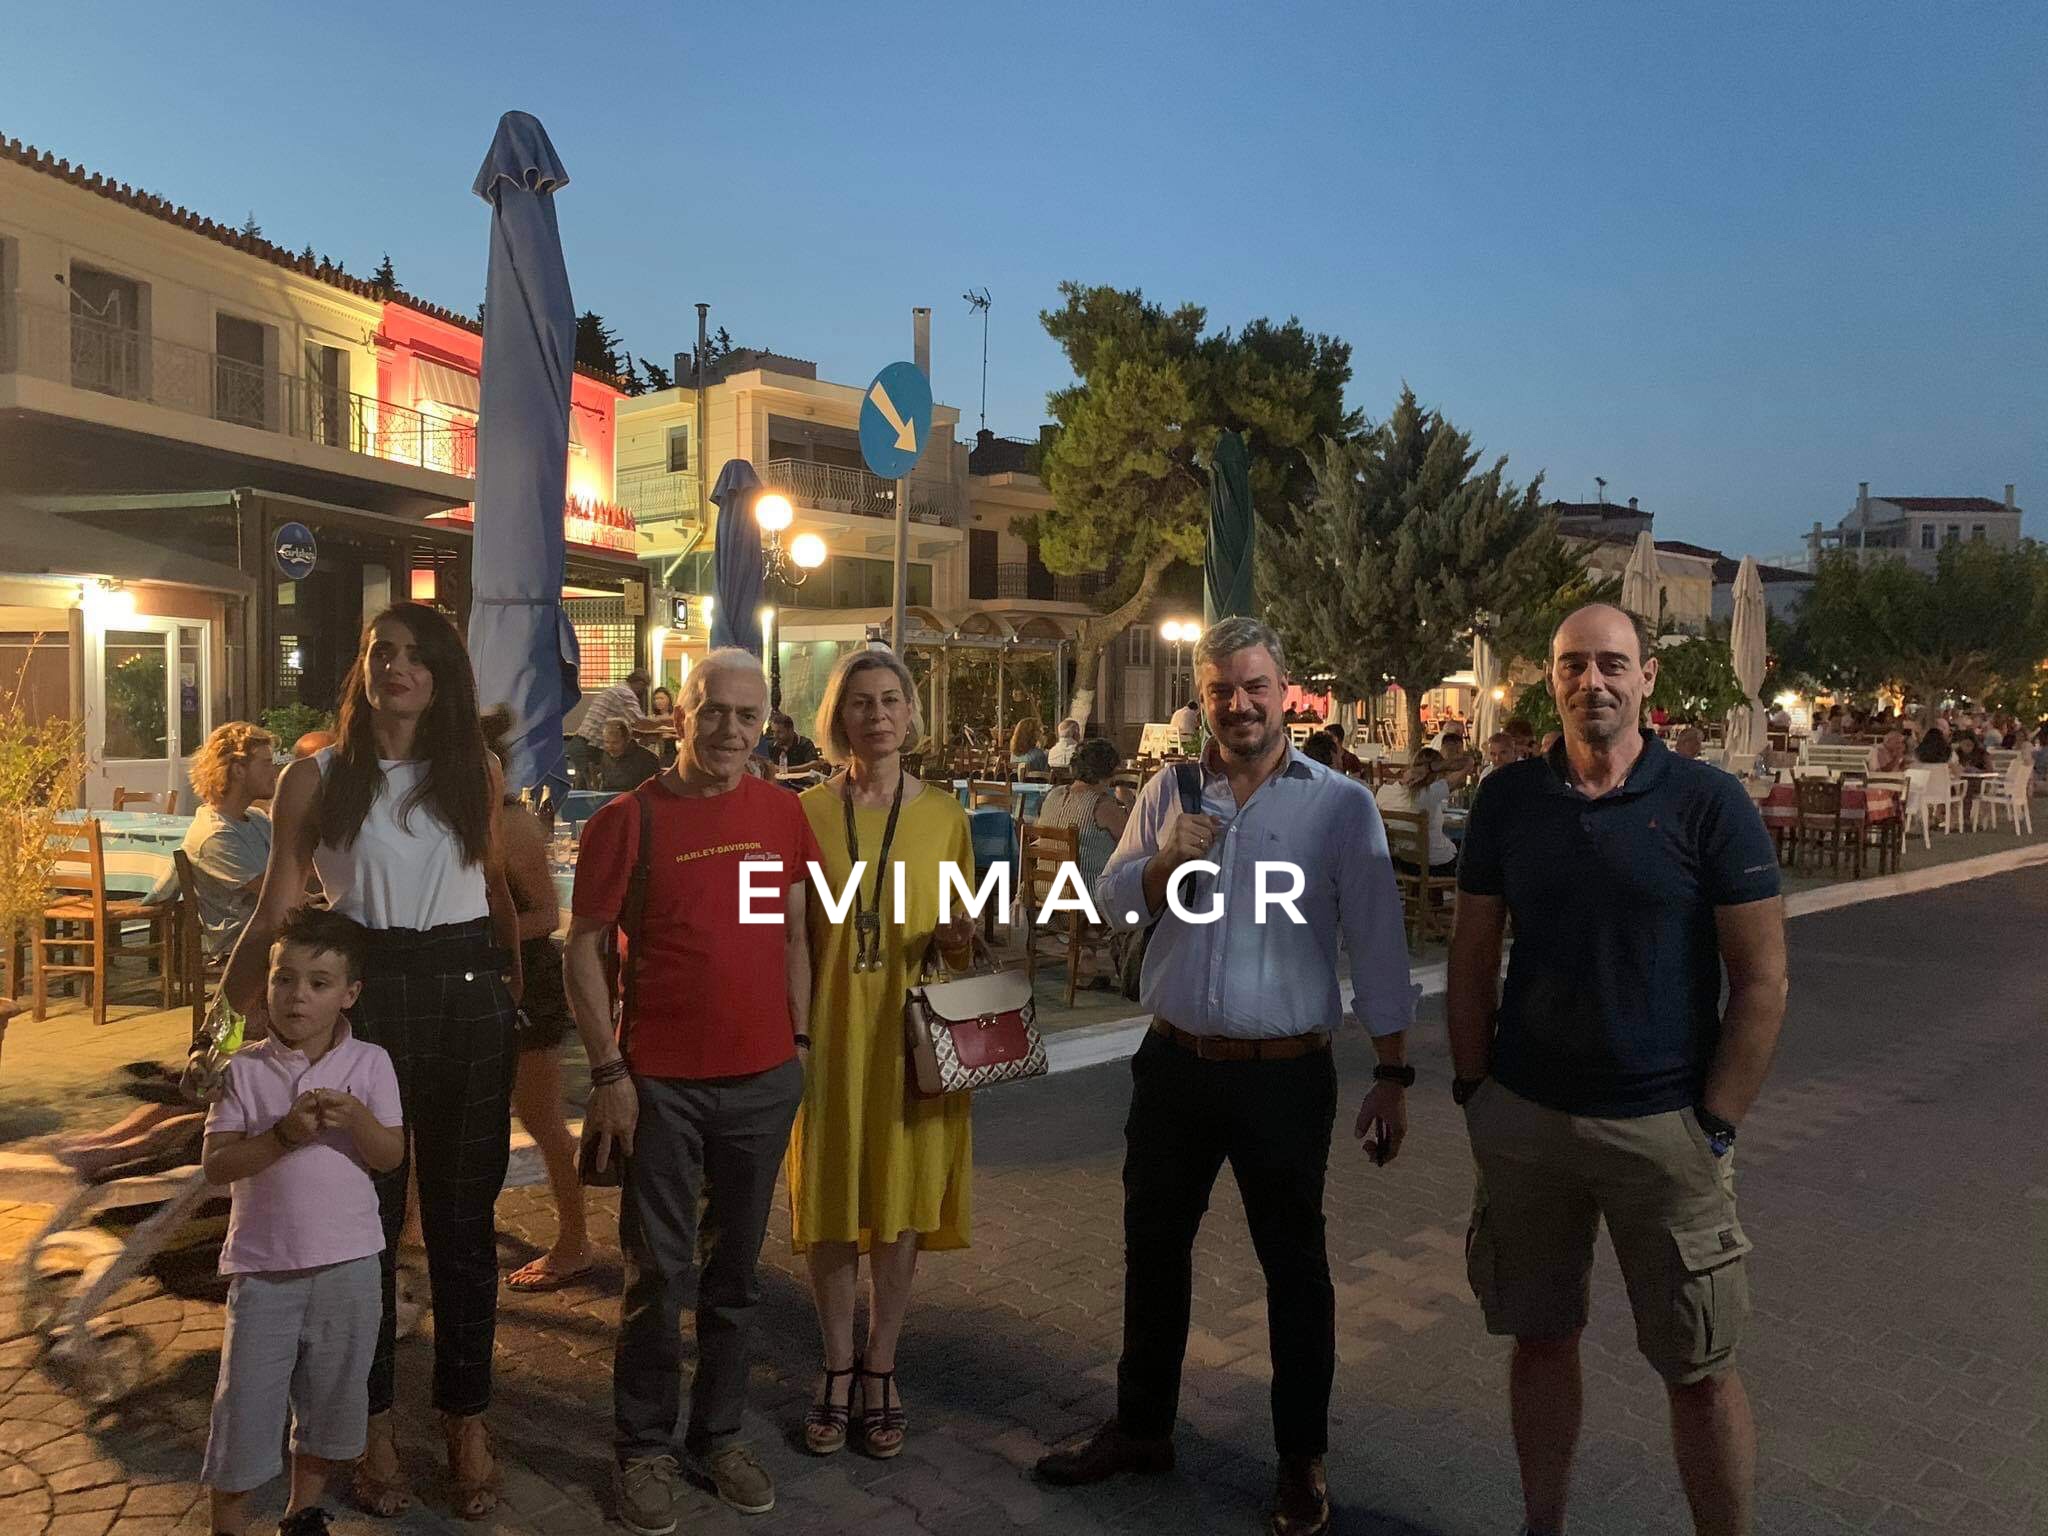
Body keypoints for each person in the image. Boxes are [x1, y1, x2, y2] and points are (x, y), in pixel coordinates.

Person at [1038, 617, 1414, 1536]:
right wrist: (1163, 861)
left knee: (1295, 1269)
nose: (1238, 705)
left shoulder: (1339, 806)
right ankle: (1142, 1429)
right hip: (1174, 1062)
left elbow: (1378, 942)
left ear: (1284, 692)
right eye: (1220, 690)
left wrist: (1394, 1072)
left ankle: (1300, 1460)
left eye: (1254, 687)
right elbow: (1111, 901)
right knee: (1153, 1249)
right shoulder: (1168, 790)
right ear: (1201, 697)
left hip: (1285, 1075)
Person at [1447, 603, 1787, 1536]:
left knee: (1699, 1368)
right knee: (1540, 1341)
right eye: (1572, 665)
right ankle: (1543, 1525)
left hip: (1664, 1130)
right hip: (1527, 1121)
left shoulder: (1708, 803)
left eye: (1610, 663)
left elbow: (1762, 980)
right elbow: (1472, 955)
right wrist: (1476, 1091)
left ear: (1646, 679)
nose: (1590, 681)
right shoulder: (1510, 800)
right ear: (1551, 679)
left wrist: (1715, 1123)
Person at [226, 601, 522, 1521]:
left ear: (443, 673)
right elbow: (282, 900)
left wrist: (517, 990)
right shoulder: (316, 777)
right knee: (368, 1228)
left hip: (468, 993)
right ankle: (372, 1421)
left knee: (466, 1222)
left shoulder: (475, 767)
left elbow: (493, 888)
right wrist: (240, 1002)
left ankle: (467, 1416)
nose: (395, 666)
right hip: (370, 995)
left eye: (414, 654)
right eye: (379, 652)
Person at [569, 651, 818, 1531]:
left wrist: (796, 1043)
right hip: (662, 1086)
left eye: (747, 716)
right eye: (714, 711)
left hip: (762, 1080)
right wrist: (609, 1073)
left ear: (765, 723)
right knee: (656, 1276)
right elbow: (582, 949)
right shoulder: (628, 821)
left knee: (736, 1278)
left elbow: (785, 931)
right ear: (680, 716)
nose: (730, 730)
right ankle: (642, 1446)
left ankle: (719, 1435)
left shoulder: (781, 814)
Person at [789, 650, 977, 1465]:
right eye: (860, 702)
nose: (877, 715)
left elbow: (962, 940)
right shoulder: (803, 814)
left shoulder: (945, 817)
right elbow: (789, 937)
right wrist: (793, 1038)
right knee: (829, 1200)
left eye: (891, 700)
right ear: (839, 718)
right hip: (830, 1033)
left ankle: (881, 1364)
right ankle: (836, 1362)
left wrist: (962, 935)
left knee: (899, 1204)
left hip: (911, 1039)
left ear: (910, 713)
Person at [201, 907, 403, 1536]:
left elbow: (390, 1156)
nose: (297, 996)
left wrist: (358, 1120)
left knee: (332, 1400)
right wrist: (284, 1135)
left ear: (350, 994)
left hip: (349, 1266)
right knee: (245, 1404)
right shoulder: (244, 1069)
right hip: (264, 1271)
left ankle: (304, 1511)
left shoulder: (370, 1063)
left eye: (319, 983)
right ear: (266, 983)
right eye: (284, 979)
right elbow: (217, 1165)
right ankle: (229, 1522)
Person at [476, 711, 591, 1298]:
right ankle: (421, 1239)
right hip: (475, 981)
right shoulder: (450, 820)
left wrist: (472, 938)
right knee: (448, 1119)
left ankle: (575, 1240)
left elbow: (547, 915)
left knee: (542, 1119)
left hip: (525, 981)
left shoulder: (512, 826)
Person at [182, 723, 280, 961]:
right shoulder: (215, 834)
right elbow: (273, 891)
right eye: (266, 764)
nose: (274, 772)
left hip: (275, 929)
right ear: (238, 770)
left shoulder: (256, 818)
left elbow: (291, 867)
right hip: (245, 944)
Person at [1037, 737, 1130, 892]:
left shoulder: (1053, 794)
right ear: (1108, 772)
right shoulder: (1101, 805)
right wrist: (1129, 802)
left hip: (1043, 888)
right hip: (1084, 891)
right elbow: (1132, 841)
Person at [1375, 746, 1459, 877]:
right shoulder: (1428, 794)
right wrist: (1439, 766)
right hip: (1433, 864)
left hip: (1401, 862)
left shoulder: (1383, 792)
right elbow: (1468, 764)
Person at [573, 668, 650, 784]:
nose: (643, 693)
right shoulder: (625, 693)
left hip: (581, 744)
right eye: (645, 688)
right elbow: (640, 722)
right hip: (589, 747)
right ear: (640, 683)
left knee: (587, 784)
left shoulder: (615, 690)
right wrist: (666, 721)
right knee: (592, 786)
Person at [595, 719, 662, 792]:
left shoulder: (647, 758)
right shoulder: (607, 754)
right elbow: (605, 785)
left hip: (635, 796)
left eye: (615, 743)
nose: (610, 747)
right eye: (607, 742)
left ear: (627, 740)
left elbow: (653, 789)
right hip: (611, 797)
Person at [755, 710, 823, 772]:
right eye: (773, 732)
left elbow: (815, 765)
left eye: (779, 732)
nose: (775, 736)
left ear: (790, 730)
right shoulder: (771, 745)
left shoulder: (805, 744)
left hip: (801, 781)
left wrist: (786, 770)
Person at [647, 686, 678, 767]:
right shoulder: (651, 718)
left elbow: (685, 735)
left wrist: (671, 736)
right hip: (655, 753)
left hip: (673, 753)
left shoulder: (676, 716)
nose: (658, 701)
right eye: (656, 699)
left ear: (669, 699)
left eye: (661, 698)